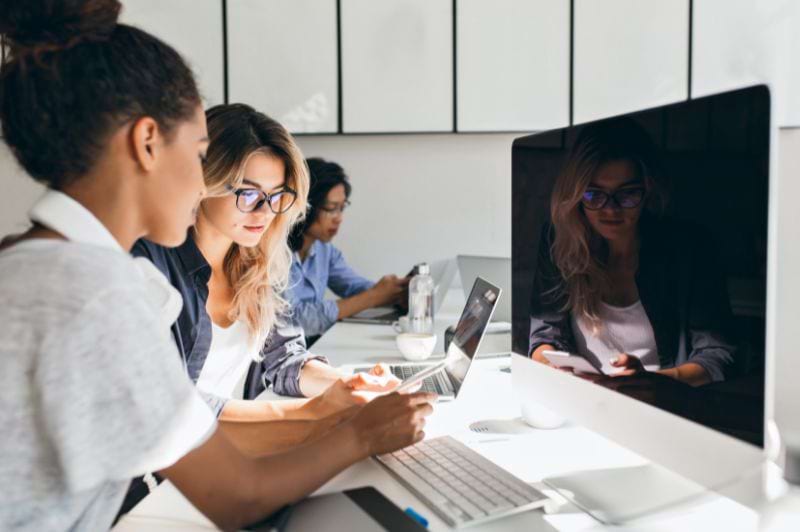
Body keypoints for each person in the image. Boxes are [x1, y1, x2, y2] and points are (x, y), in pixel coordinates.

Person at [0, 2, 434, 530]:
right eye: (200, 151)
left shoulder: (36, 264)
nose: (202, 181)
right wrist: (361, 433)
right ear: (146, 143)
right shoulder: (97, 293)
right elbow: (237, 496)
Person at [529, 118, 736, 387]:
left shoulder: (689, 248)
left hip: (662, 407)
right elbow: (544, 336)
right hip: (581, 403)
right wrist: (552, 368)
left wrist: (650, 382)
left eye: (627, 194)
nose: (611, 209)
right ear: (577, 195)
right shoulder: (560, 241)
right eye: (594, 195)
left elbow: (717, 356)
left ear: (648, 188)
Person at [287, 158, 408, 338]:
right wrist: (374, 296)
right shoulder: (273, 253)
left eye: (342, 208)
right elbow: (294, 321)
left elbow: (353, 286)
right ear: (305, 206)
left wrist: (396, 292)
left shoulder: (324, 250)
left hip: (314, 346)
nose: (339, 218)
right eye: (332, 208)